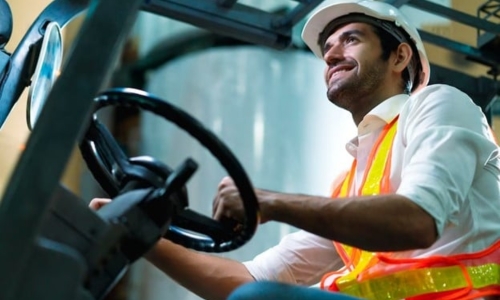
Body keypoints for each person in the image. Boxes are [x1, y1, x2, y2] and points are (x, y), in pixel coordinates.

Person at [91, 0, 500, 299]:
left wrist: (267, 201)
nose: (332, 54)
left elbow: (417, 220)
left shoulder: (438, 104)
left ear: (400, 56)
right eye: (327, 51)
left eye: (350, 39)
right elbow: (245, 280)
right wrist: (137, 237)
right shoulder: (350, 186)